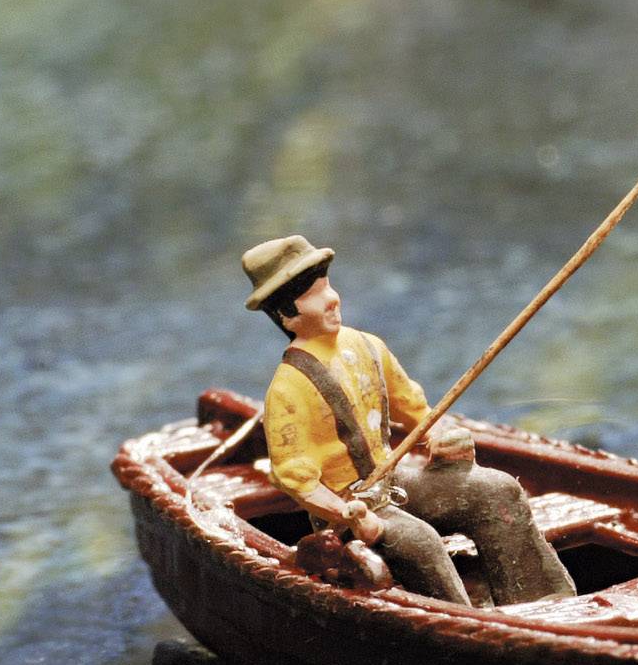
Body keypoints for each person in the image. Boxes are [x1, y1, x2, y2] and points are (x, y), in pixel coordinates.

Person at [243, 234, 575, 607]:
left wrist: (440, 436)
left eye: (328, 286)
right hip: (347, 512)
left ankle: (542, 603)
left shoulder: (368, 346)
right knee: (421, 542)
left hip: (393, 483)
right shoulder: (288, 389)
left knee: (497, 491)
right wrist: (347, 513)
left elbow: (413, 408)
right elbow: (295, 478)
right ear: (286, 314)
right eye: (313, 295)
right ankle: (468, 625)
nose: (332, 298)